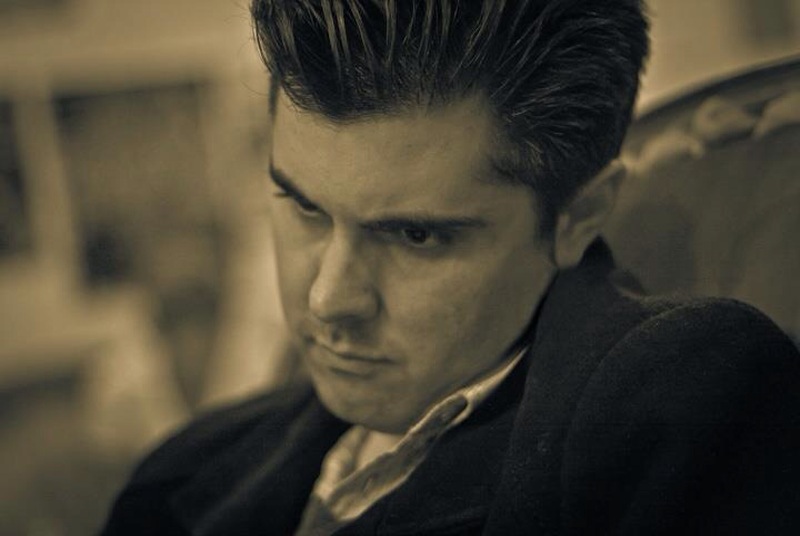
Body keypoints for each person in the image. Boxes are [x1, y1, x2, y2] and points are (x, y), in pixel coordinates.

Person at [101, 1, 800, 534]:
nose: (328, 299)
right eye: (304, 207)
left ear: (579, 217)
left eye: (415, 235)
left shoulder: (679, 401)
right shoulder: (187, 467)